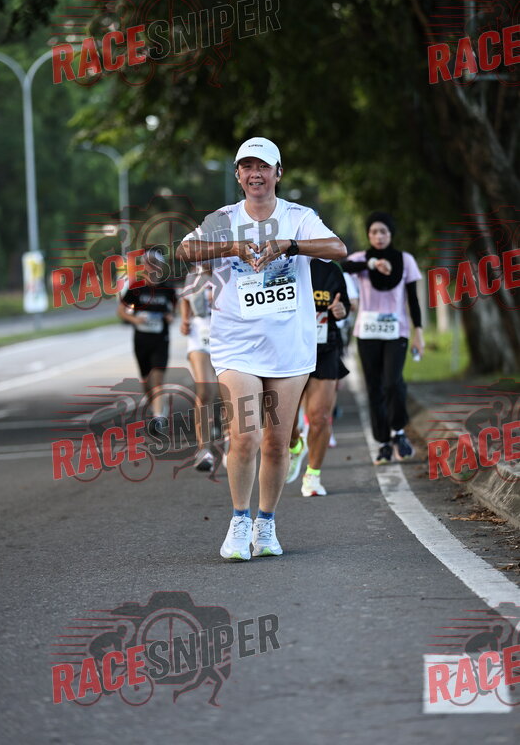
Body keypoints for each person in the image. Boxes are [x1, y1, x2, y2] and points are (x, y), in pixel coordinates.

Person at [177, 137, 346, 560]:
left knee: (276, 441)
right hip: (237, 345)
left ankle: (265, 524)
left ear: (277, 173)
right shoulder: (223, 219)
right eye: (247, 167)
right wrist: (231, 246)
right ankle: (239, 522)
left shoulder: (298, 217)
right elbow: (184, 250)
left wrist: (289, 245)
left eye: (263, 166)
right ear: (238, 175)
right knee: (245, 436)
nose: (256, 174)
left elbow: (338, 249)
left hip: (289, 346)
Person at [342, 212, 424, 465]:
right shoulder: (360, 259)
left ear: (391, 234)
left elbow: (413, 299)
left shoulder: (405, 260)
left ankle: (398, 431)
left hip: (396, 332)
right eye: (374, 232)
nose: (378, 236)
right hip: (367, 332)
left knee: (392, 382)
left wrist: (419, 332)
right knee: (374, 387)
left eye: (383, 232)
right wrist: (372, 264)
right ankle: (383, 443)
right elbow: (343, 267)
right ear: (368, 235)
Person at [286, 259, 350, 496]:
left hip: (324, 348)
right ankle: (295, 444)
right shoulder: (282, 262)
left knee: (320, 416)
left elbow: (344, 305)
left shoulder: (330, 268)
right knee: (285, 421)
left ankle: (313, 475)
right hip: (288, 351)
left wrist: (341, 310)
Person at [117, 247, 177, 427]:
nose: (150, 267)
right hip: (142, 340)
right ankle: (156, 407)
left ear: (160, 267)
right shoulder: (136, 288)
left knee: (157, 379)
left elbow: (176, 309)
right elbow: (121, 311)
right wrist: (135, 319)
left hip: (161, 340)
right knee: (146, 381)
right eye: (147, 264)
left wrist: (171, 316)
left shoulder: (167, 288)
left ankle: (158, 418)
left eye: (154, 264)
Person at [180, 266, 218, 472]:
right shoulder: (194, 274)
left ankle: (233, 443)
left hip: (229, 335)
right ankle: (205, 450)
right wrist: (185, 320)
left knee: (229, 392)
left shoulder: (232, 267)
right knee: (204, 392)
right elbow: (185, 299)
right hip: (200, 334)